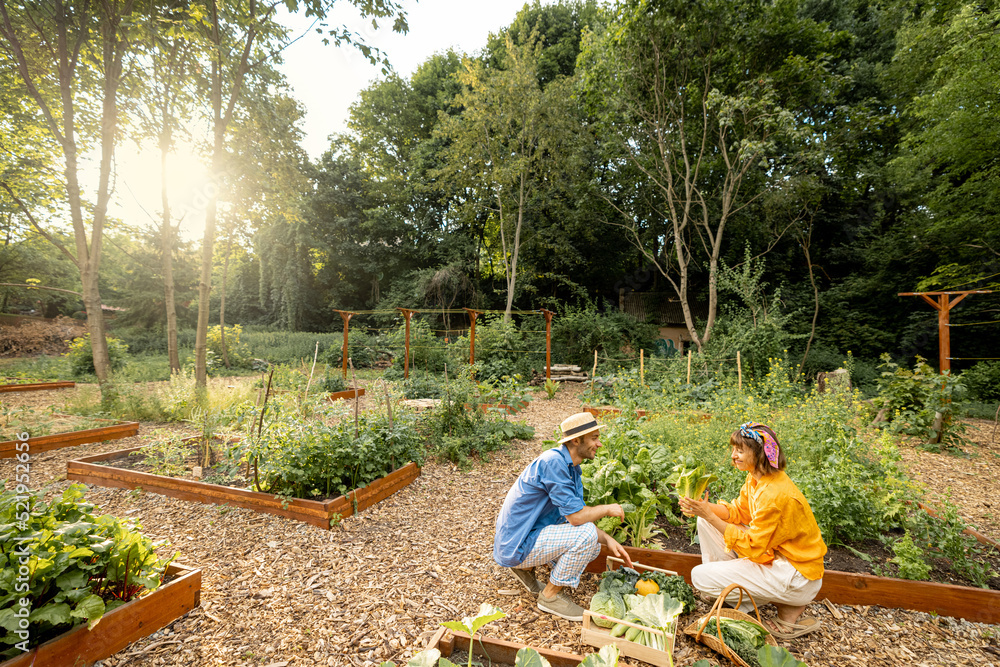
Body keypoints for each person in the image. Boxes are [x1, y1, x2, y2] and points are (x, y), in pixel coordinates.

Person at [678, 422, 826, 639]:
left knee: (699, 576)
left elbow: (753, 546)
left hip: (795, 574)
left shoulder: (774, 494)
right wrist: (702, 507)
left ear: (759, 455)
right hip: (777, 557)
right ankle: (732, 593)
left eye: (740, 451)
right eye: (733, 450)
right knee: (706, 522)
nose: (733, 456)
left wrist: (707, 513)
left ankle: (782, 602)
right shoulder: (757, 479)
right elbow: (738, 512)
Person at [493, 412, 634, 621]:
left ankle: (525, 569)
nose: (600, 444)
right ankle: (550, 596)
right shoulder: (554, 463)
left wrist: (608, 539)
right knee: (587, 536)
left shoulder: (570, 467)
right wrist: (607, 508)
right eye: (594, 438)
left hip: (522, 537)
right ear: (576, 440)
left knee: (594, 543)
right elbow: (578, 520)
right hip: (515, 544)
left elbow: (575, 517)